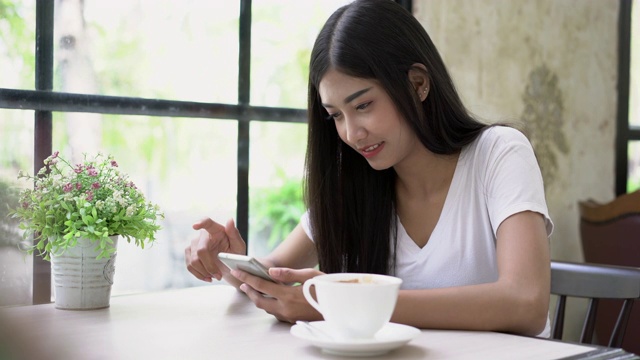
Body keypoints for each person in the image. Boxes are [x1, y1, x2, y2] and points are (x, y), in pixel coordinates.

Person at [185, 0, 553, 338]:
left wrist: (338, 303)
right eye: (335, 116)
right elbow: (275, 272)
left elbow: (526, 303)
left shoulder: (499, 154)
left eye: (363, 105)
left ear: (418, 84)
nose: (350, 133)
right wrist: (228, 260)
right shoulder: (356, 183)